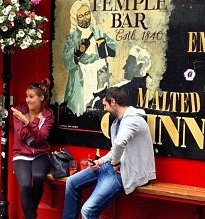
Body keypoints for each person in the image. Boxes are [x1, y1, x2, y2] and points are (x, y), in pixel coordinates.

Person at [63, 87, 156, 219]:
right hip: (111, 168)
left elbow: (119, 144)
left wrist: (115, 163)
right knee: (71, 182)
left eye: (105, 104)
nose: (104, 109)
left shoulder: (133, 119)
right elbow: (116, 149)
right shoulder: (118, 122)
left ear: (113, 101)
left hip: (124, 172)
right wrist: (99, 162)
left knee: (88, 211)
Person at [63, 0, 116, 116]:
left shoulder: (98, 33)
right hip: (81, 79)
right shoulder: (72, 38)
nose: (84, 18)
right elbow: (67, 61)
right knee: (82, 111)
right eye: (80, 16)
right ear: (75, 18)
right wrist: (77, 52)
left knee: (99, 110)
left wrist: (104, 47)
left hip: (99, 77)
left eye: (86, 14)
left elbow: (113, 49)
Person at [10, 79, 54, 219]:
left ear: (41, 98)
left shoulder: (48, 115)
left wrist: (27, 122)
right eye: (26, 96)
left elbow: (42, 137)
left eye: (31, 96)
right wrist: (30, 121)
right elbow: (22, 135)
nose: (28, 100)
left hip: (41, 154)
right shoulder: (19, 111)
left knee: (38, 176)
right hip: (21, 155)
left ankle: (29, 216)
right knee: (25, 186)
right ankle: (31, 216)